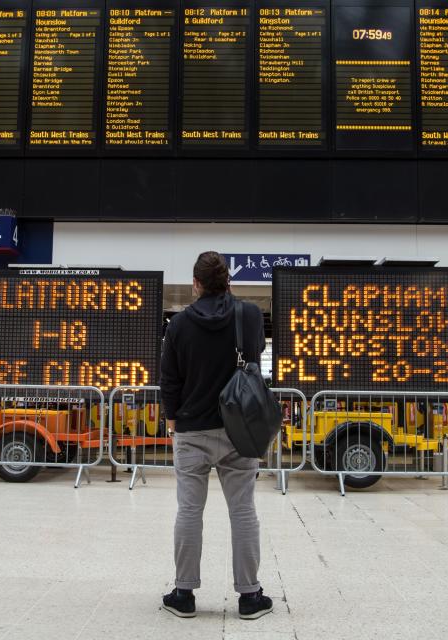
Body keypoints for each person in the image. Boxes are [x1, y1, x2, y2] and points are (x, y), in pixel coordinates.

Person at [159, 251, 273, 620]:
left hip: (192, 431)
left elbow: (170, 380)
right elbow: (253, 358)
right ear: (229, 282)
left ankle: (184, 594)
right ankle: (250, 597)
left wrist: (173, 419)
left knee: (189, 510)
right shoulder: (250, 315)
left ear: (195, 284)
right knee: (243, 510)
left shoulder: (178, 325)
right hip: (240, 431)